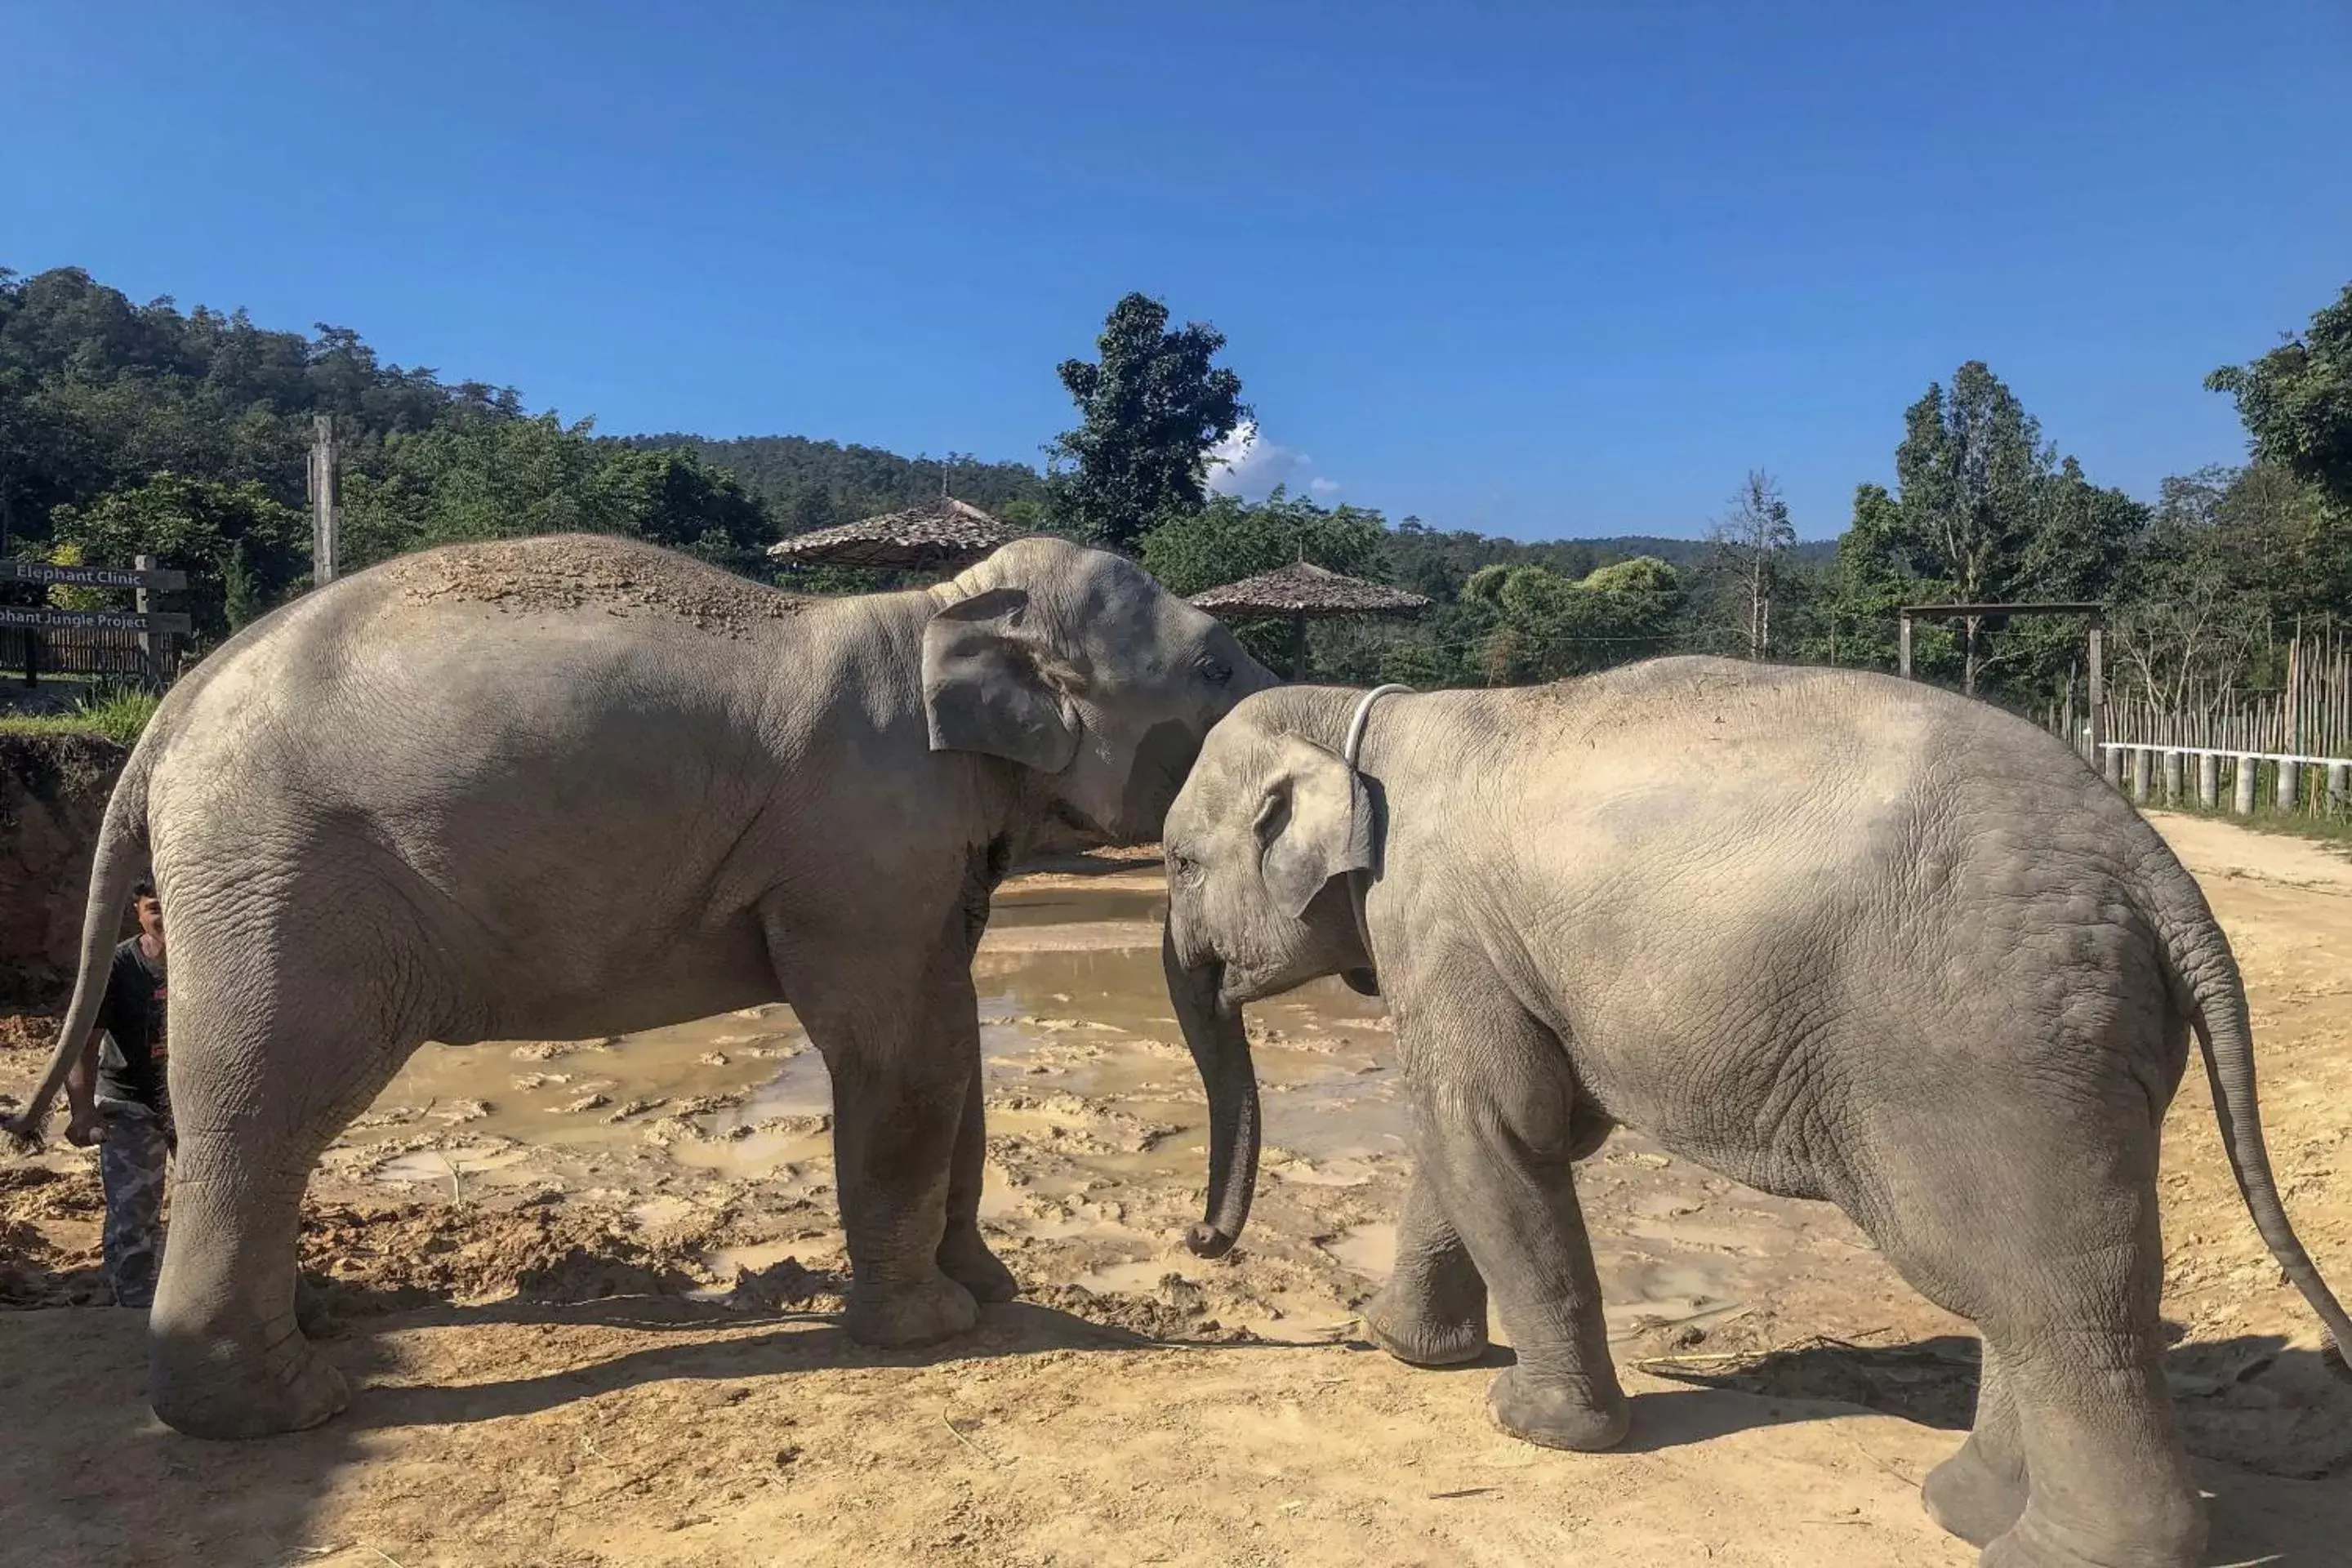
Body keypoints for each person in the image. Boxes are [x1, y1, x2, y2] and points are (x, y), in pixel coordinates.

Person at [62, 877, 172, 1308]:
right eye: (154, 907)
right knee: (133, 1212)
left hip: (193, 1103)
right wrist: (82, 1110)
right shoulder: (118, 966)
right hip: (130, 1101)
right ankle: (133, 1303)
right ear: (139, 913)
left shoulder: (206, 962)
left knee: (218, 1200)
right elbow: (85, 1042)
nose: (163, 917)